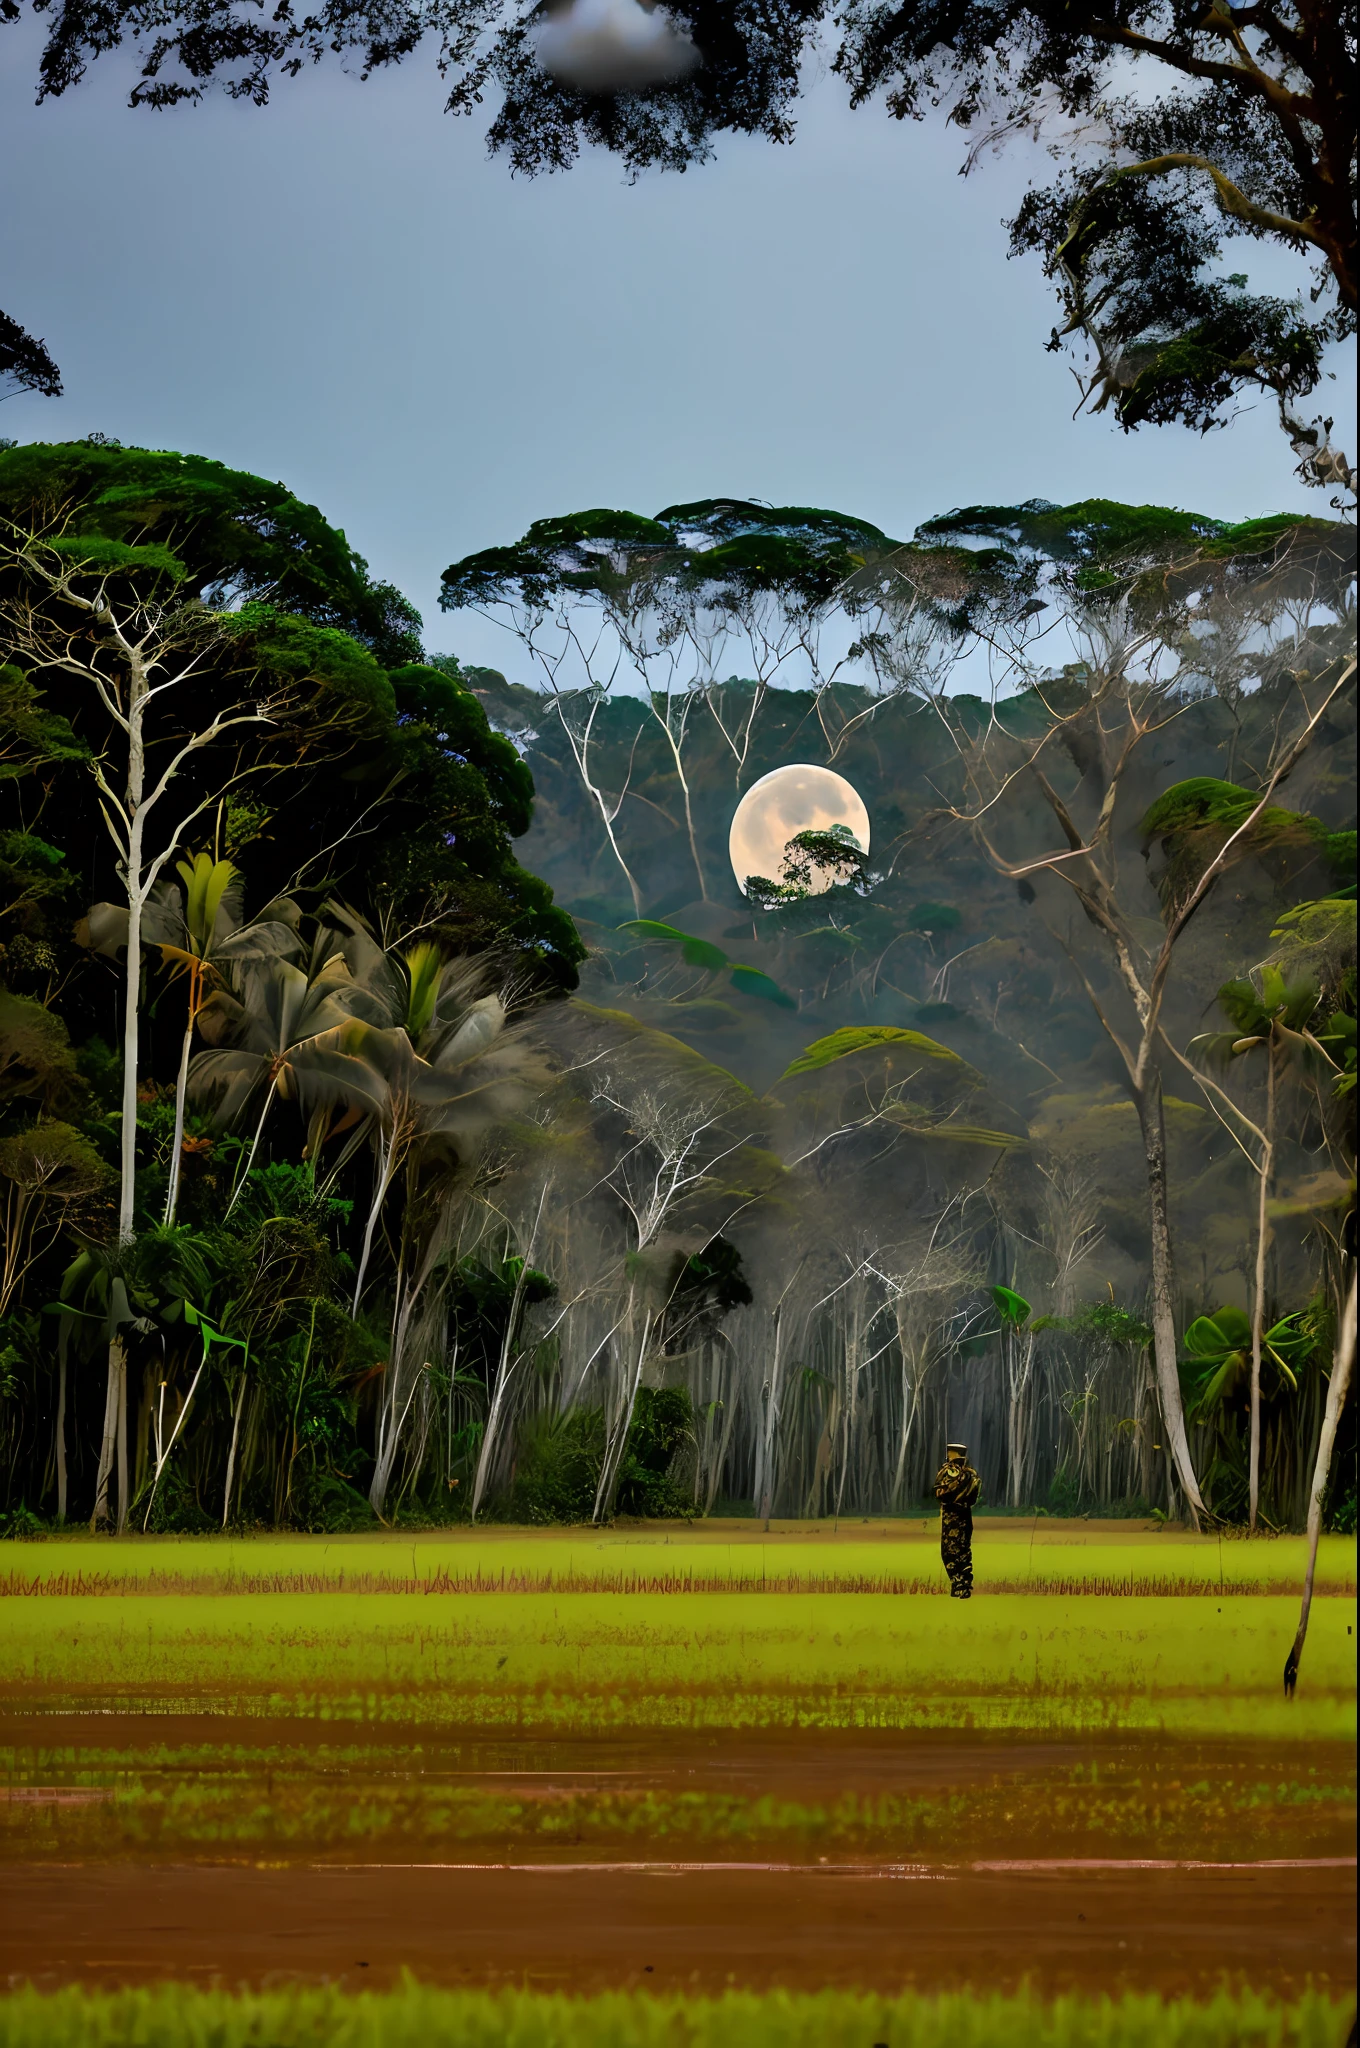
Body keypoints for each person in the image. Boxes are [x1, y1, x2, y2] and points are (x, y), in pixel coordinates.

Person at [934, 1442, 980, 1598]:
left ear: (953, 1454)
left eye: (950, 1453)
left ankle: (959, 1585)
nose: (948, 1456)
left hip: (952, 1519)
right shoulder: (971, 1474)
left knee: (949, 1552)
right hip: (966, 1516)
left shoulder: (950, 1472)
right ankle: (963, 1585)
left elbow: (940, 1492)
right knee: (963, 1551)